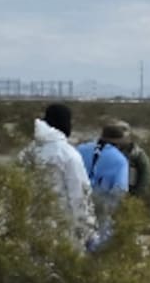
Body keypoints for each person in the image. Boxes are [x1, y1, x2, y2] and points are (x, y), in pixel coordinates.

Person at [20, 103, 97, 250]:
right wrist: (88, 231)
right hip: (61, 226)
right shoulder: (68, 155)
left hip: (30, 223)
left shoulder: (28, 152)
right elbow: (80, 195)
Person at [76, 120, 132, 246]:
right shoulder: (120, 160)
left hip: (75, 200)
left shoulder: (79, 149)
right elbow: (120, 190)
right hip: (101, 205)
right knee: (100, 240)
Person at [107, 120, 150, 199]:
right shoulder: (105, 151)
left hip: (129, 194)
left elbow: (145, 178)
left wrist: (135, 196)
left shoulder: (137, 154)